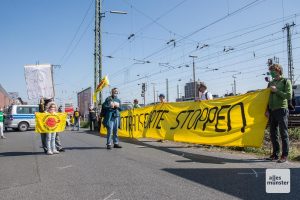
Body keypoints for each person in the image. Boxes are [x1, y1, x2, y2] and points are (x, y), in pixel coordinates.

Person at [265, 64, 292, 163]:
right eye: (270, 70)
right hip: (272, 111)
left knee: (283, 133)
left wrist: (276, 91)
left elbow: (288, 96)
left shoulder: (285, 81)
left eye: (273, 70)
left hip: (282, 109)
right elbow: (267, 97)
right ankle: (275, 154)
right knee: (273, 133)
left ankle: (284, 155)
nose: (271, 72)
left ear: (278, 70)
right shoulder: (271, 82)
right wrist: (266, 109)